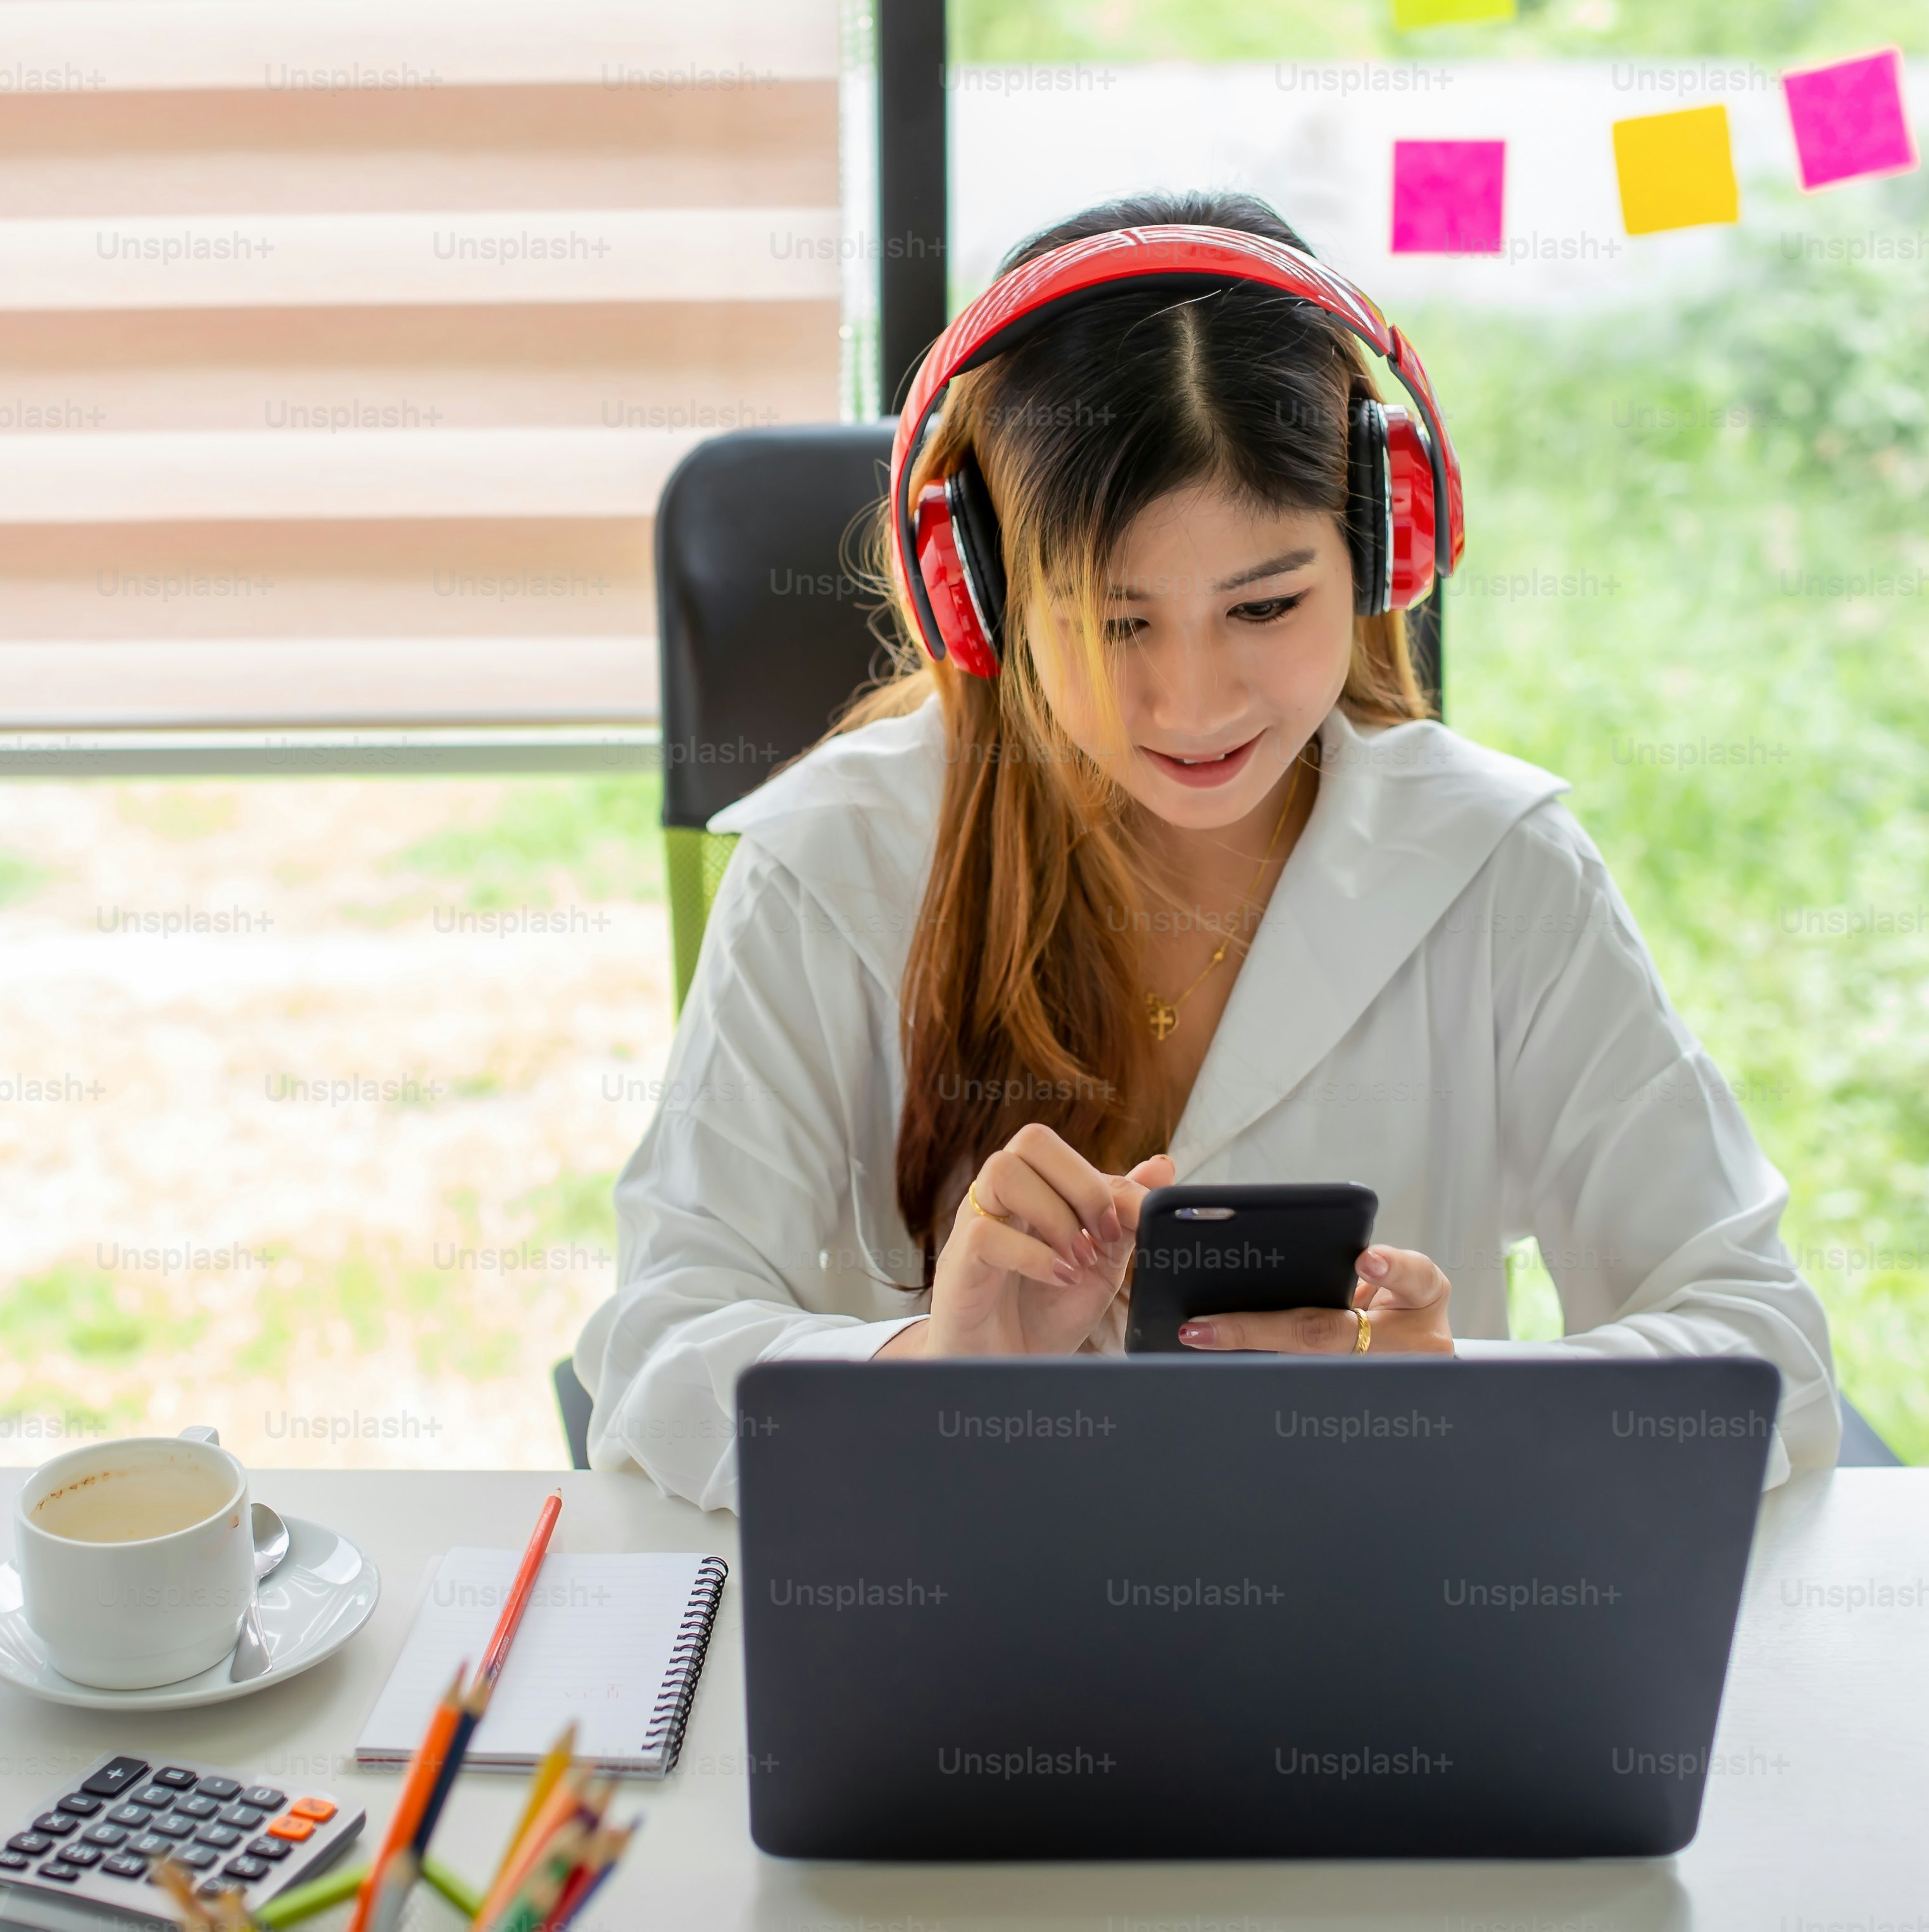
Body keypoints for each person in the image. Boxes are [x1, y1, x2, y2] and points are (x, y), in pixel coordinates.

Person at [575, 189, 1838, 1510]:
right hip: (971, 1615)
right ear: (982, 598)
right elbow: (658, 1351)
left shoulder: (1499, 866)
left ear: (1382, 552)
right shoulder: (830, 863)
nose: (1195, 703)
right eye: (1115, 621)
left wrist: (1456, 1402)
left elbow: (1764, 1343)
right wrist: (932, 1372)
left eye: (1266, 603)